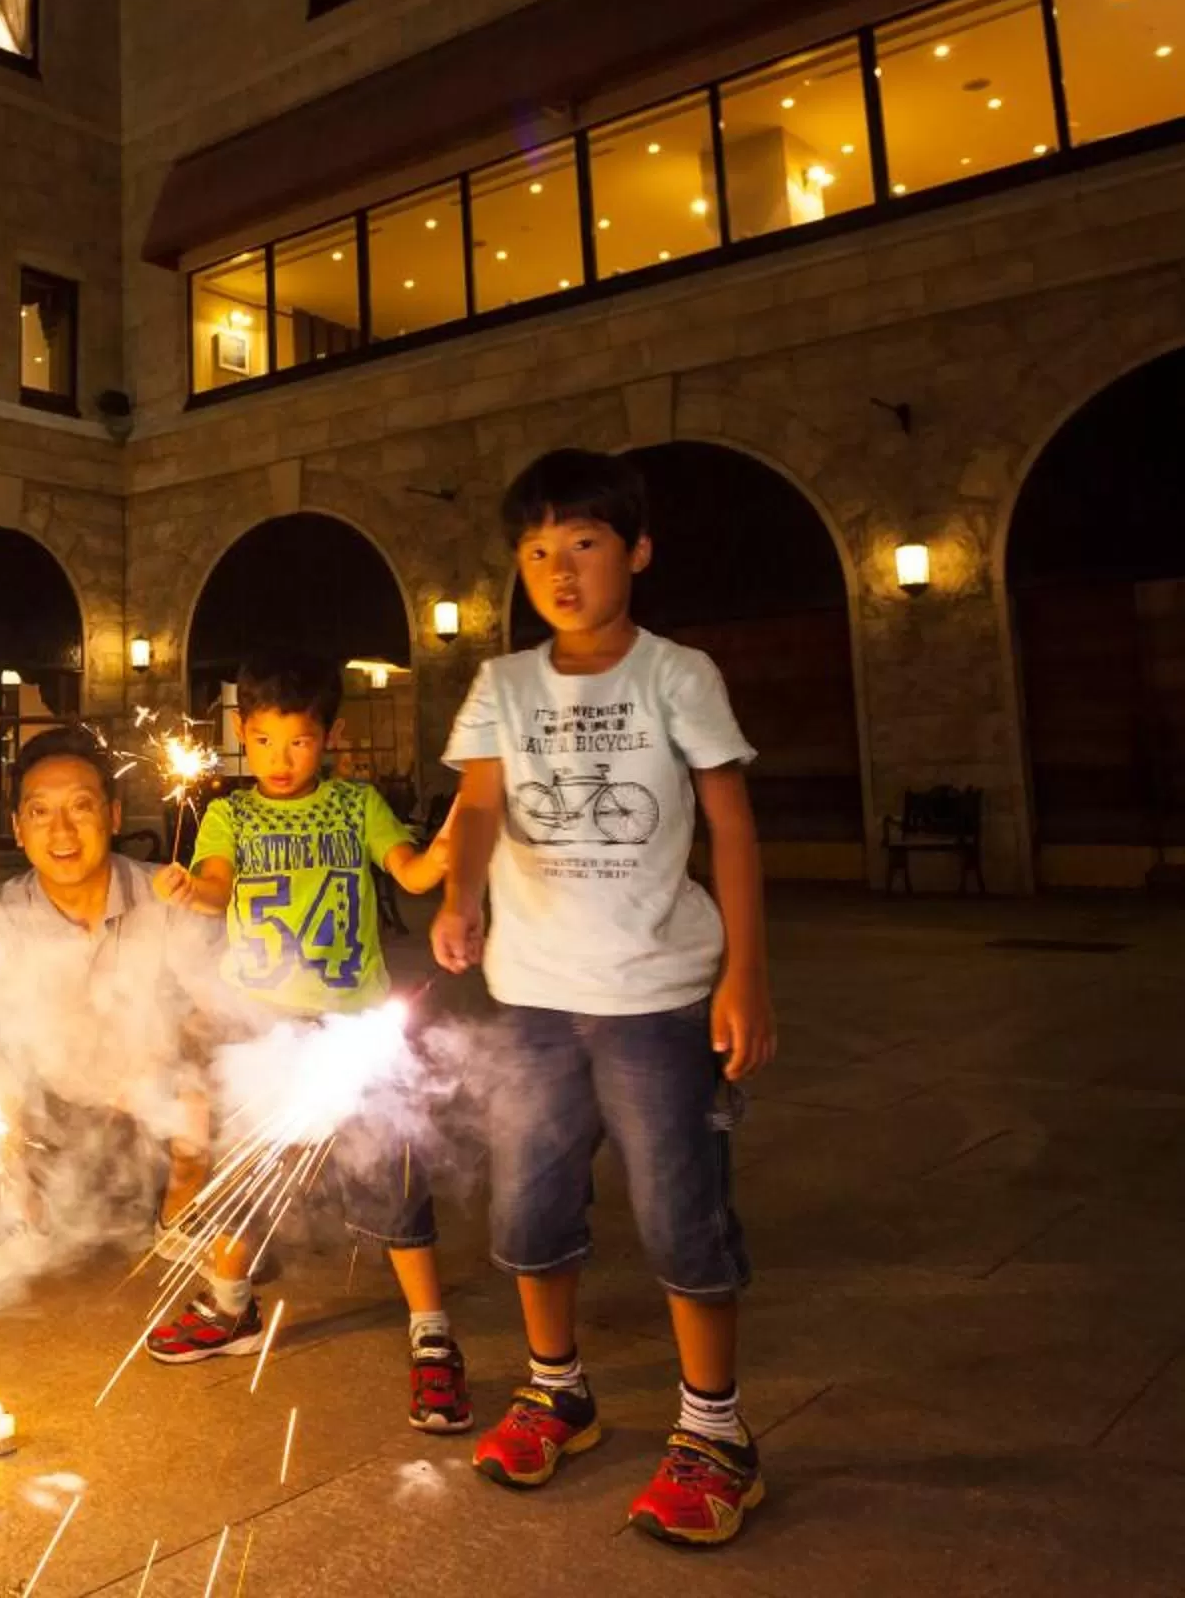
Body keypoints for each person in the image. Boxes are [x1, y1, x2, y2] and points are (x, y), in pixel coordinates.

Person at [432, 447, 777, 1547]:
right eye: (537, 550)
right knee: (529, 1207)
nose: (559, 570)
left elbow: (729, 822)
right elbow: (479, 804)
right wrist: (460, 890)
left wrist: (747, 974)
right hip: (530, 992)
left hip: (657, 992)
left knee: (682, 1211)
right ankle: (555, 1390)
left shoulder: (679, 674)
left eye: (582, 543)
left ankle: (715, 1432)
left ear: (634, 550)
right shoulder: (503, 684)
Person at [142, 652, 460, 1434]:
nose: (279, 761)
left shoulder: (356, 806)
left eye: (299, 742)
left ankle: (432, 1335)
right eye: (262, 741)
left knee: (392, 1177)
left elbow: (413, 875)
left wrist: (459, 836)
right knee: (245, 1176)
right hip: (260, 1029)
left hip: (350, 1031)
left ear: (330, 737)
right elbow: (216, 887)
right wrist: (189, 889)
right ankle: (232, 1307)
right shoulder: (230, 815)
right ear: (240, 735)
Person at [0, 725, 218, 1282]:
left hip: (152, 1107)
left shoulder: (166, 895)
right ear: (18, 828)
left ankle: (181, 1214)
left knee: (219, 1065)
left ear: (114, 816)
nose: (61, 830)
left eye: (80, 807)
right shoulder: (3, 916)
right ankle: (17, 1213)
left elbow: (221, 1003)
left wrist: (174, 1051)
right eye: (40, 812)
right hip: (52, 1112)